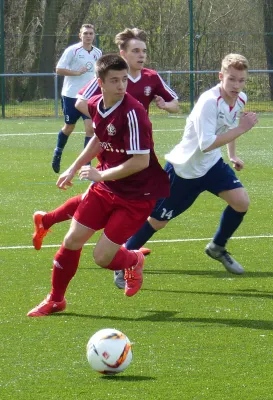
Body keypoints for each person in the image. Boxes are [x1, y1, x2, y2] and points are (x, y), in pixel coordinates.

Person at [27, 54, 170, 317]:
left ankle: (133, 259)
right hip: (106, 187)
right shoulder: (96, 104)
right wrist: (73, 167)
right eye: (114, 80)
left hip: (137, 195)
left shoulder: (134, 112)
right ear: (100, 83)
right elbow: (99, 139)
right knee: (72, 240)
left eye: (124, 79)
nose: (121, 85)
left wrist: (100, 175)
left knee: (102, 258)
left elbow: (140, 161)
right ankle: (56, 300)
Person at [113, 53, 258, 289]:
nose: (236, 85)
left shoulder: (240, 98)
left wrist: (232, 154)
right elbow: (206, 143)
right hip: (184, 170)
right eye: (232, 79)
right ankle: (123, 261)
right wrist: (242, 129)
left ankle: (217, 247)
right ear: (221, 76)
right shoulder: (208, 103)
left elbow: (228, 128)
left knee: (241, 202)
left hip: (211, 166)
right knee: (157, 221)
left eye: (241, 80)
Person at [32, 27, 179, 252]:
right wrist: (108, 124)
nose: (141, 55)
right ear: (123, 54)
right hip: (112, 148)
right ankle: (123, 255)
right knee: (102, 197)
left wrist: (165, 105)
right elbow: (81, 101)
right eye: (136, 50)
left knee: (102, 197)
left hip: (137, 145)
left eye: (144, 51)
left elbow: (176, 105)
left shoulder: (151, 77)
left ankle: (49, 221)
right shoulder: (108, 76)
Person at [52, 24, 102, 173]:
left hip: (88, 97)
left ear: (94, 35)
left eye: (91, 33)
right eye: (85, 33)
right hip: (71, 96)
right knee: (69, 127)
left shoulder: (98, 53)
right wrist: (76, 72)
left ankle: (87, 164)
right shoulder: (72, 51)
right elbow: (58, 69)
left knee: (90, 129)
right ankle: (58, 152)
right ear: (80, 35)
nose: (88, 36)